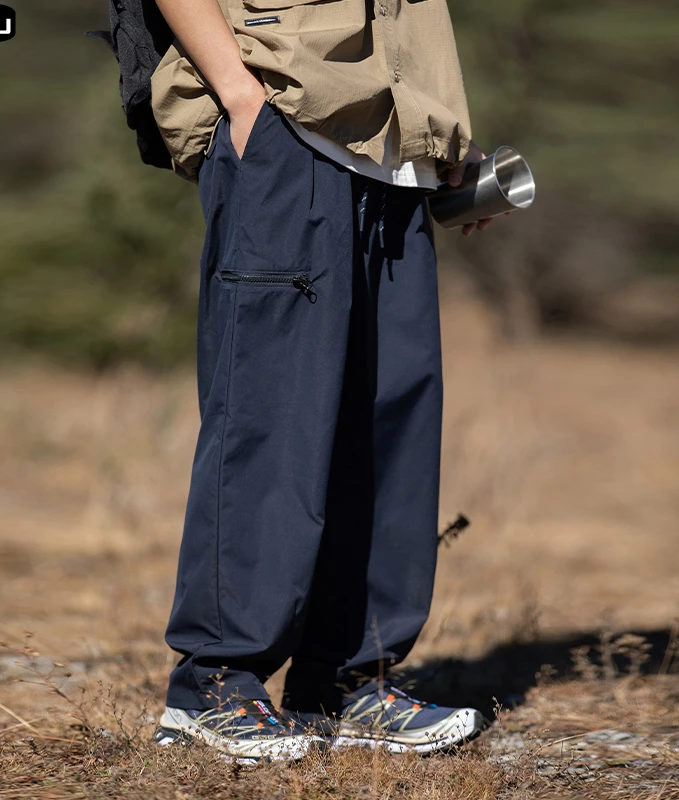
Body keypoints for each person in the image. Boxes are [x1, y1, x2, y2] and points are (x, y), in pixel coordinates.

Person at [150, 0, 494, 763]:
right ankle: (214, 682)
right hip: (286, 127)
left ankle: (345, 678)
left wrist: (443, 133)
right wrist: (239, 95)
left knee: (389, 421)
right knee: (271, 415)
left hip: (395, 155)